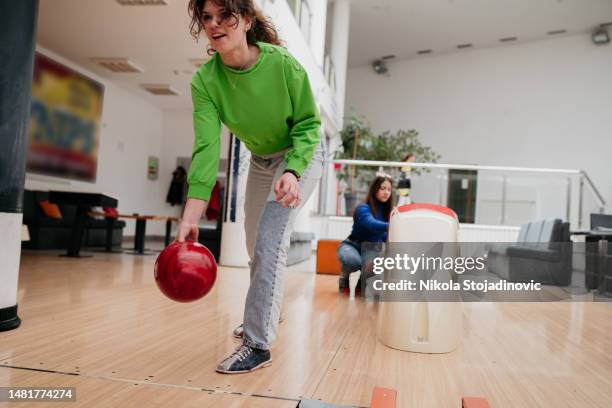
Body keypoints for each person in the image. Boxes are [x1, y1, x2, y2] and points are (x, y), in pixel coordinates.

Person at [177, 0, 325, 374]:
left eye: (224, 15)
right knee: (252, 242)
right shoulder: (205, 81)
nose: (214, 24)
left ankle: (257, 344)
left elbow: (308, 124)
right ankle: (268, 313)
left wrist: (292, 170)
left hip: (301, 155)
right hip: (260, 161)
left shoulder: (281, 64)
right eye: (206, 18)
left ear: (244, 19)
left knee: (269, 243)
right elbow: (207, 151)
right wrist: (190, 217)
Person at [337, 175, 394, 292]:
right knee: (353, 262)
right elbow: (370, 223)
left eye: (389, 189)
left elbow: (383, 236)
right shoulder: (363, 208)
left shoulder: (388, 213)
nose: (386, 192)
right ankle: (345, 277)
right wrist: (391, 225)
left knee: (378, 264)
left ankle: (361, 281)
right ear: (374, 189)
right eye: (382, 188)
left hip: (371, 248)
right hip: (352, 245)